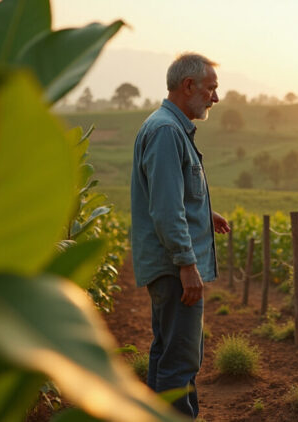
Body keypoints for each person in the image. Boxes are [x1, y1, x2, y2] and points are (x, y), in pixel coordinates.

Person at [130, 52, 230, 419]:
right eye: (211, 89)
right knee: (181, 361)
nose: (215, 98)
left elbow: (172, 196)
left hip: (168, 265)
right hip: (174, 268)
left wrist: (205, 213)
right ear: (188, 86)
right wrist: (187, 264)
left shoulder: (166, 127)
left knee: (166, 354)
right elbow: (166, 210)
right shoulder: (167, 132)